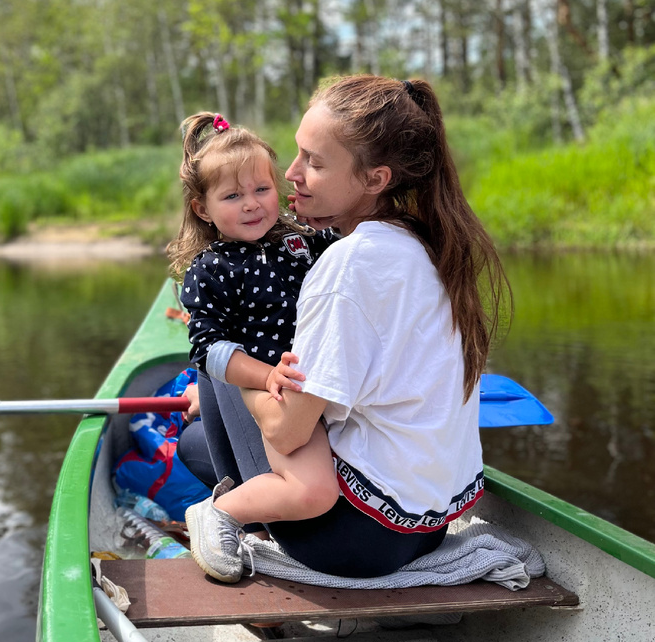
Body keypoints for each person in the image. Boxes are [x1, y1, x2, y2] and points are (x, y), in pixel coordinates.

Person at [178, 75, 511, 594]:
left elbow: (287, 434)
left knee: (215, 372)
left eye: (313, 161)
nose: (290, 174)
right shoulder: (427, 242)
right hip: (427, 527)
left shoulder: (345, 266)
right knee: (200, 426)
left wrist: (243, 376)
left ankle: (224, 514)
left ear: (376, 178)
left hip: (348, 538)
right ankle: (219, 418)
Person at [166, 112, 340, 581]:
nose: (251, 205)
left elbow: (349, 241)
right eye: (232, 196)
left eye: (262, 189)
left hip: (318, 381)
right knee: (308, 486)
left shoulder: (302, 240)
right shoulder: (211, 268)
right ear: (203, 209)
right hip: (270, 393)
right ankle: (230, 515)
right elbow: (209, 350)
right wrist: (266, 376)